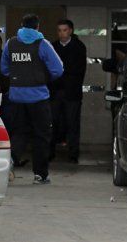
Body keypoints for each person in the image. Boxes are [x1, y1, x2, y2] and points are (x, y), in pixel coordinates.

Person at [1, 14, 63, 185]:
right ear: (37, 27)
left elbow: (4, 69)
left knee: (18, 132)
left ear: (21, 25)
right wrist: (43, 77)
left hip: (16, 97)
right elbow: (58, 69)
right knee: (41, 135)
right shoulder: (43, 44)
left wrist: (18, 76)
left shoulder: (10, 43)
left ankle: (10, 163)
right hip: (38, 97)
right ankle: (40, 175)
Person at [50, 19, 88, 164]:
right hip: (55, 91)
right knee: (53, 122)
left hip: (72, 92)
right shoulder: (52, 47)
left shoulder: (79, 47)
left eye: (64, 30)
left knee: (72, 123)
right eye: (59, 30)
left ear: (71, 31)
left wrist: (62, 76)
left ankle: (73, 153)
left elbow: (78, 71)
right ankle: (50, 152)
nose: (62, 33)